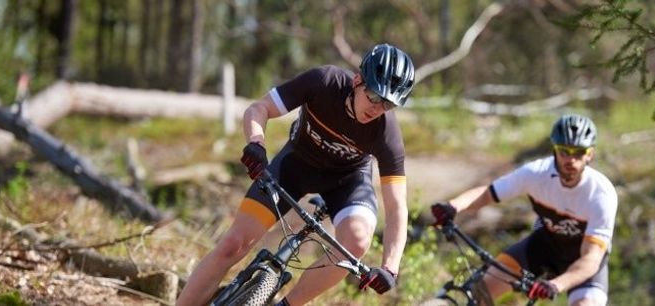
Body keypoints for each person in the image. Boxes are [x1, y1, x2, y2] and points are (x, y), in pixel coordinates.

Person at [177, 43, 415, 306]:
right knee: (233, 244)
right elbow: (259, 109)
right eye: (373, 96)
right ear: (358, 80)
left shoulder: (386, 133)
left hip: (347, 182)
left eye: (388, 104)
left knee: (357, 242)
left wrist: (390, 267)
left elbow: (396, 208)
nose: (376, 108)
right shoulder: (324, 82)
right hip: (294, 166)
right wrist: (256, 143)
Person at [431, 114, 617, 306]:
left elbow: (591, 259)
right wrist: (453, 206)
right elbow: (488, 193)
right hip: (543, 247)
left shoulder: (601, 195)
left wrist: (555, 285)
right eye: (564, 151)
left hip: (583, 263)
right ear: (554, 150)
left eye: (578, 152)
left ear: (590, 154)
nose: (571, 160)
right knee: (479, 294)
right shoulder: (536, 174)